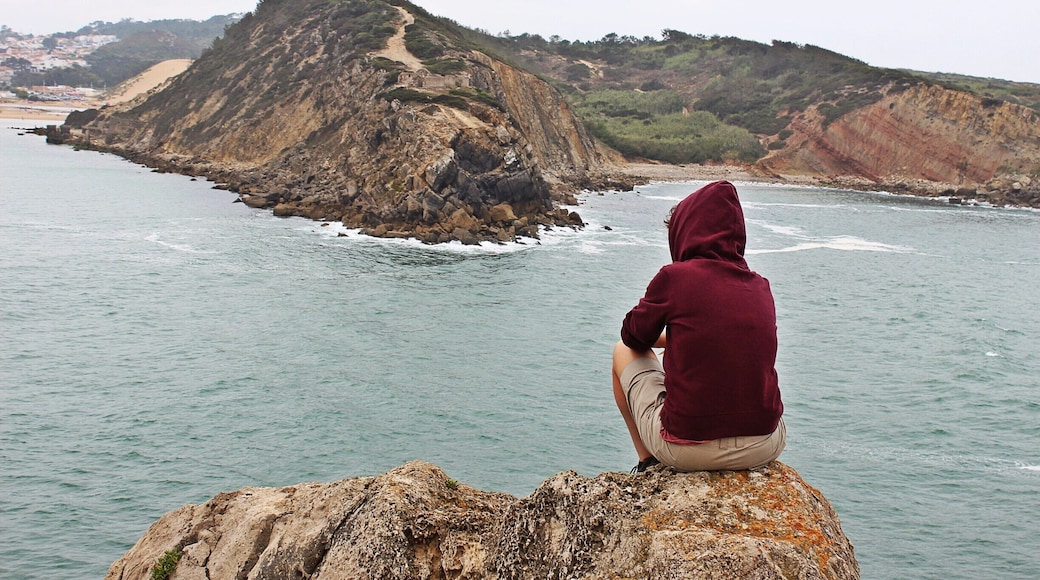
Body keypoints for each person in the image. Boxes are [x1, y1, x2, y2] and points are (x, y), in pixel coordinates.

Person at [612, 180, 786, 473]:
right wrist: (682, 338)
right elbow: (729, 341)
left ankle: (647, 462)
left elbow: (632, 336)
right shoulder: (760, 285)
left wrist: (666, 331)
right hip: (764, 444)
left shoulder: (675, 278)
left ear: (686, 232)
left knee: (621, 352)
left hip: (688, 449)